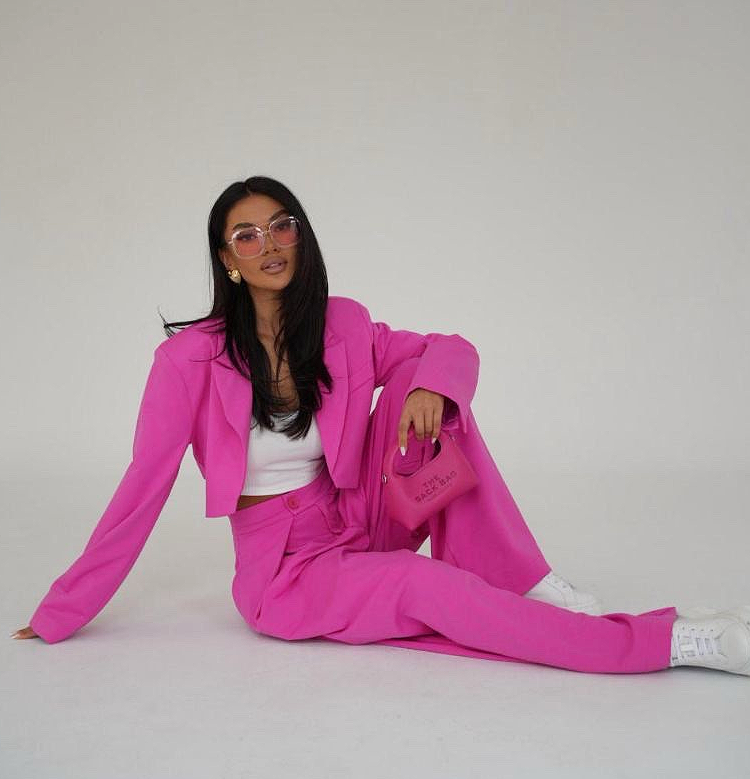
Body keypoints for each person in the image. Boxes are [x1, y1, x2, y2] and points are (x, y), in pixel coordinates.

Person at [12, 176, 750, 678]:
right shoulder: (188, 361)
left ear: (301, 237)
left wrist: (429, 387)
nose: (269, 243)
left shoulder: (343, 323)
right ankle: (670, 641)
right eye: (246, 235)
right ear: (227, 260)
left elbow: (451, 348)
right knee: (428, 587)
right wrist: (62, 610)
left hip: (360, 512)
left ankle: (528, 581)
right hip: (289, 572)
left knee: (422, 386)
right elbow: (140, 490)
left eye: (281, 225)